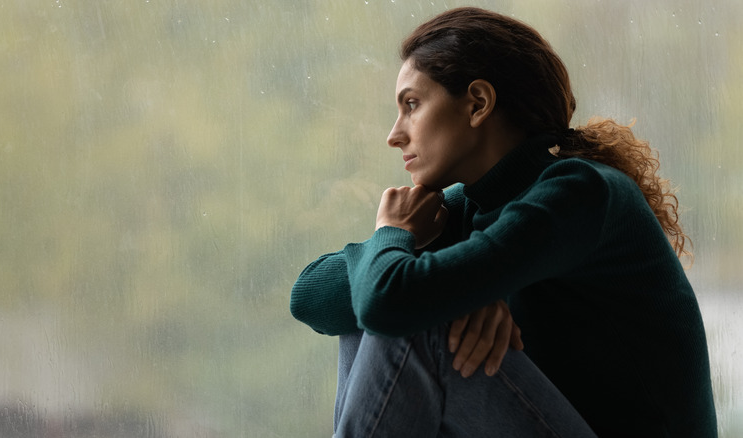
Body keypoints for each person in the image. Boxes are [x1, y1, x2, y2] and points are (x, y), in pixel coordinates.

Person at [290, 7, 717, 437]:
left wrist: (393, 236)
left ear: (477, 103)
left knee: (406, 310)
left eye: (412, 105)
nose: (394, 134)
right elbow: (308, 296)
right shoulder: (466, 207)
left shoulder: (581, 191)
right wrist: (448, 280)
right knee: (373, 306)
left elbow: (389, 302)